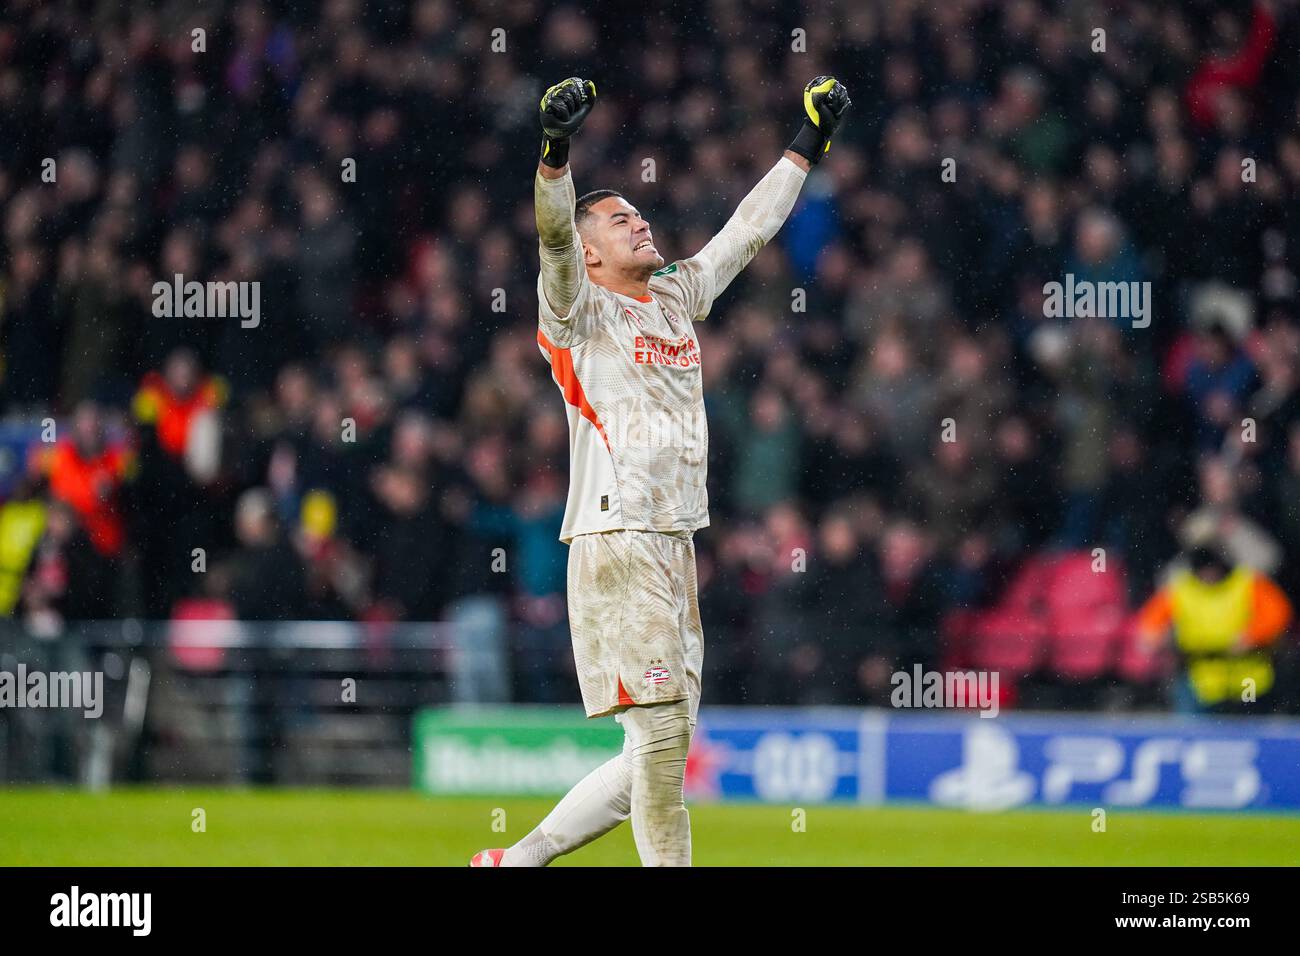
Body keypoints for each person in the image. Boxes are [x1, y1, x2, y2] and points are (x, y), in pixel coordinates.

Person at [471, 75, 851, 867]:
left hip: (674, 541)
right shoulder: (577, 311)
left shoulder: (675, 294)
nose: (641, 225)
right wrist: (554, 155)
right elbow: (550, 239)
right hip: (616, 533)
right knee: (663, 737)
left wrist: (806, 143)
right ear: (592, 251)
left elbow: (746, 232)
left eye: (639, 216)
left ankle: (518, 860)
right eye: (619, 221)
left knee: (657, 753)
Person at [1134, 544, 1293, 713]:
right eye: (1203, 569)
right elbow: (1151, 620)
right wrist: (1153, 637)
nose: (1208, 575)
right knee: (1196, 726)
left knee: (1249, 727)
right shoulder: (1180, 589)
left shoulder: (1248, 582)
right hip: (1200, 675)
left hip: (1247, 674)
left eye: (1212, 569)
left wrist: (1253, 635)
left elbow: (1278, 614)